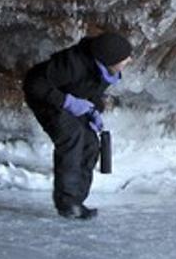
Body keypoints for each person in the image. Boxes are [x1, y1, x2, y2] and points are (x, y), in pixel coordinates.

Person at [22, 32, 133, 220]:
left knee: (90, 143)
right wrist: (67, 101)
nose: (129, 60)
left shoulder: (107, 71)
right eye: (125, 58)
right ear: (109, 59)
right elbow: (34, 84)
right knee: (72, 136)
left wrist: (94, 110)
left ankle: (77, 201)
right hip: (46, 100)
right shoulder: (72, 64)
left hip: (70, 100)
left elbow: (90, 91)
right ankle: (67, 204)